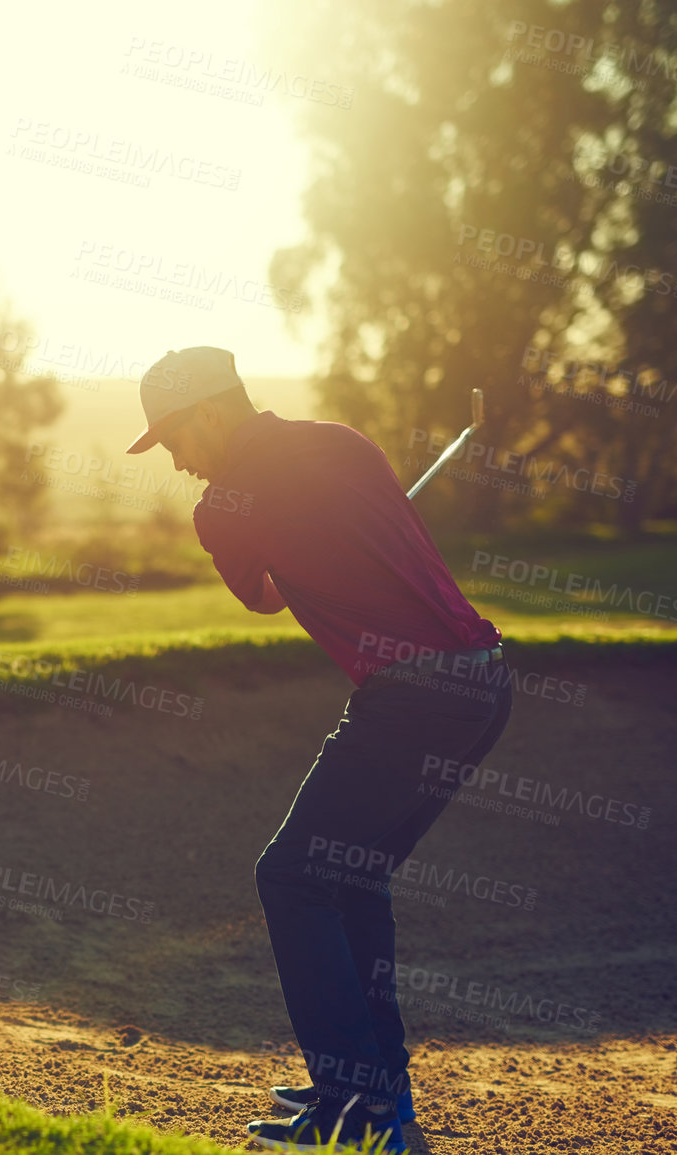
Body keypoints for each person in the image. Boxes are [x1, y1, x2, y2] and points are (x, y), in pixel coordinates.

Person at [125, 347, 515, 1153]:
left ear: (207, 413)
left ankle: (357, 1105)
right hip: (481, 682)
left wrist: (303, 551)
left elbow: (266, 599)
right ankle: (375, 1093)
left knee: (291, 876)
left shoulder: (221, 507)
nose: (177, 462)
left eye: (172, 440)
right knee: (348, 873)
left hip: (411, 697)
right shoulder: (345, 442)